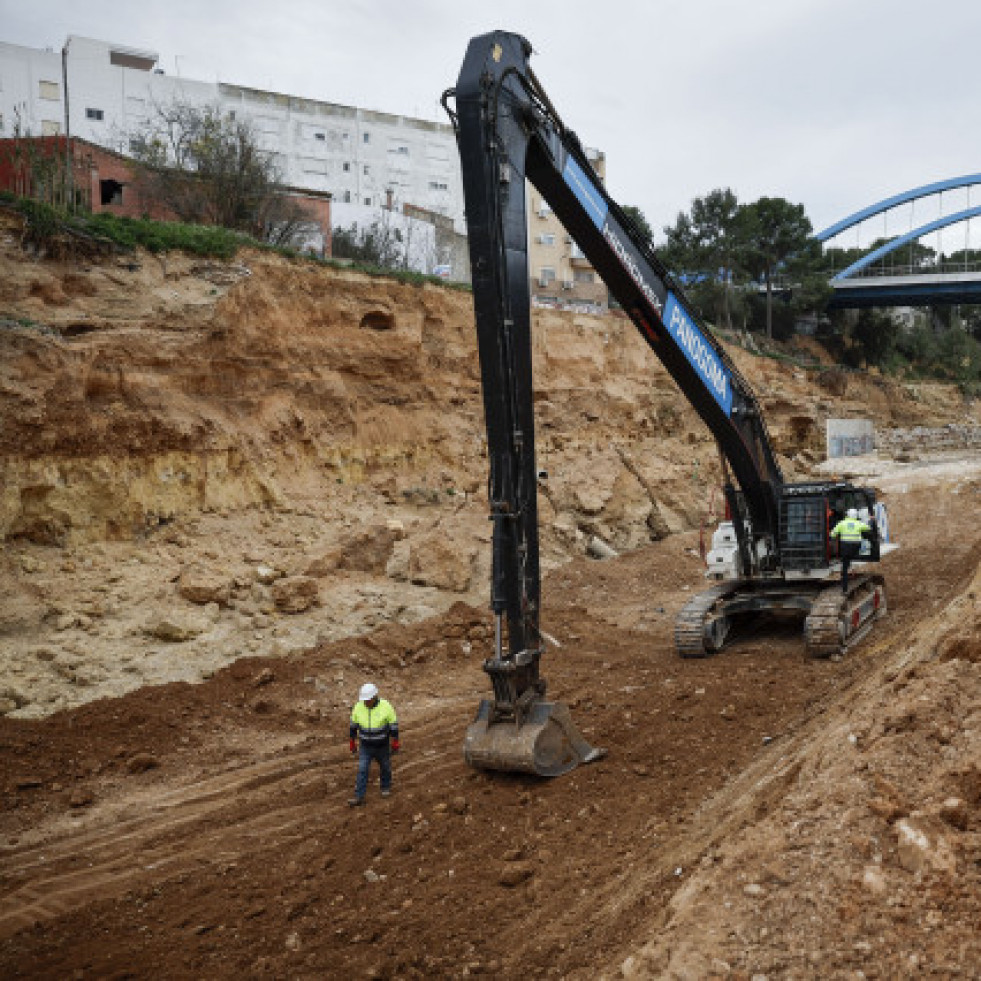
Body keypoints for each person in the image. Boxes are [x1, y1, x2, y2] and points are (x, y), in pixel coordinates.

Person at [348, 682, 399, 807]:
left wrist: (395, 740)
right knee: (362, 769)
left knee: (385, 766)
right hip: (365, 745)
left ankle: (385, 787)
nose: (366, 702)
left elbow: (393, 724)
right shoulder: (358, 707)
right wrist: (352, 741)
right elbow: (353, 725)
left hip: (382, 745)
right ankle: (359, 797)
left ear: (374, 697)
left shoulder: (386, 706)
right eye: (364, 700)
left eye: (368, 700)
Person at [829, 507, 871, 595]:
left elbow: (833, 535)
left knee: (844, 567)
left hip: (845, 548)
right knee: (855, 550)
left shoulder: (842, 523)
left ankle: (845, 589)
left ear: (847, 515)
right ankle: (853, 560)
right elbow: (868, 528)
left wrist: (832, 534)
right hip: (855, 548)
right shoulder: (858, 523)